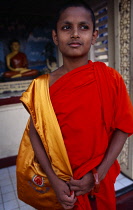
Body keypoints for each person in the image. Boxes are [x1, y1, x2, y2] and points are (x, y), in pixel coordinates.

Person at [17, 1, 133, 209]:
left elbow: (123, 127)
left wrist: (99, 174)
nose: (75, 34)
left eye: (84, 27)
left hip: (99, 179)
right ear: (55, 36)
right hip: (62, 182)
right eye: (66, 27)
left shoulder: (109, 78)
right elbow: (36, 134)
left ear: (95, 36)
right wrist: (53, 178)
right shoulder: (41, 87)